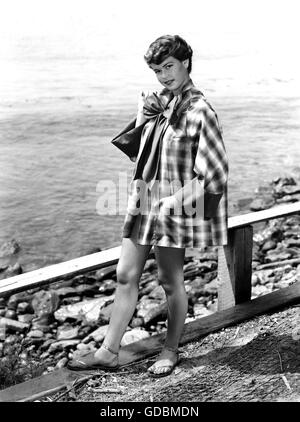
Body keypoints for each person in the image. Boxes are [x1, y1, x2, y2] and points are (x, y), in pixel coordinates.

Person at [67, 34, 228, 377]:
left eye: (169, 67)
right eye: (157, 70)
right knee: (125, 275)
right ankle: (109, 352)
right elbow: (139, 153)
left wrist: (175, 201)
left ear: (186, 61)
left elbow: (214, 175)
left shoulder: (201, 112)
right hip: (144, 200)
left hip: (174, 205)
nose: (164, 76)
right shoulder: (159, 103)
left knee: (171, 282)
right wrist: (144, 116)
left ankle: (170, 350)